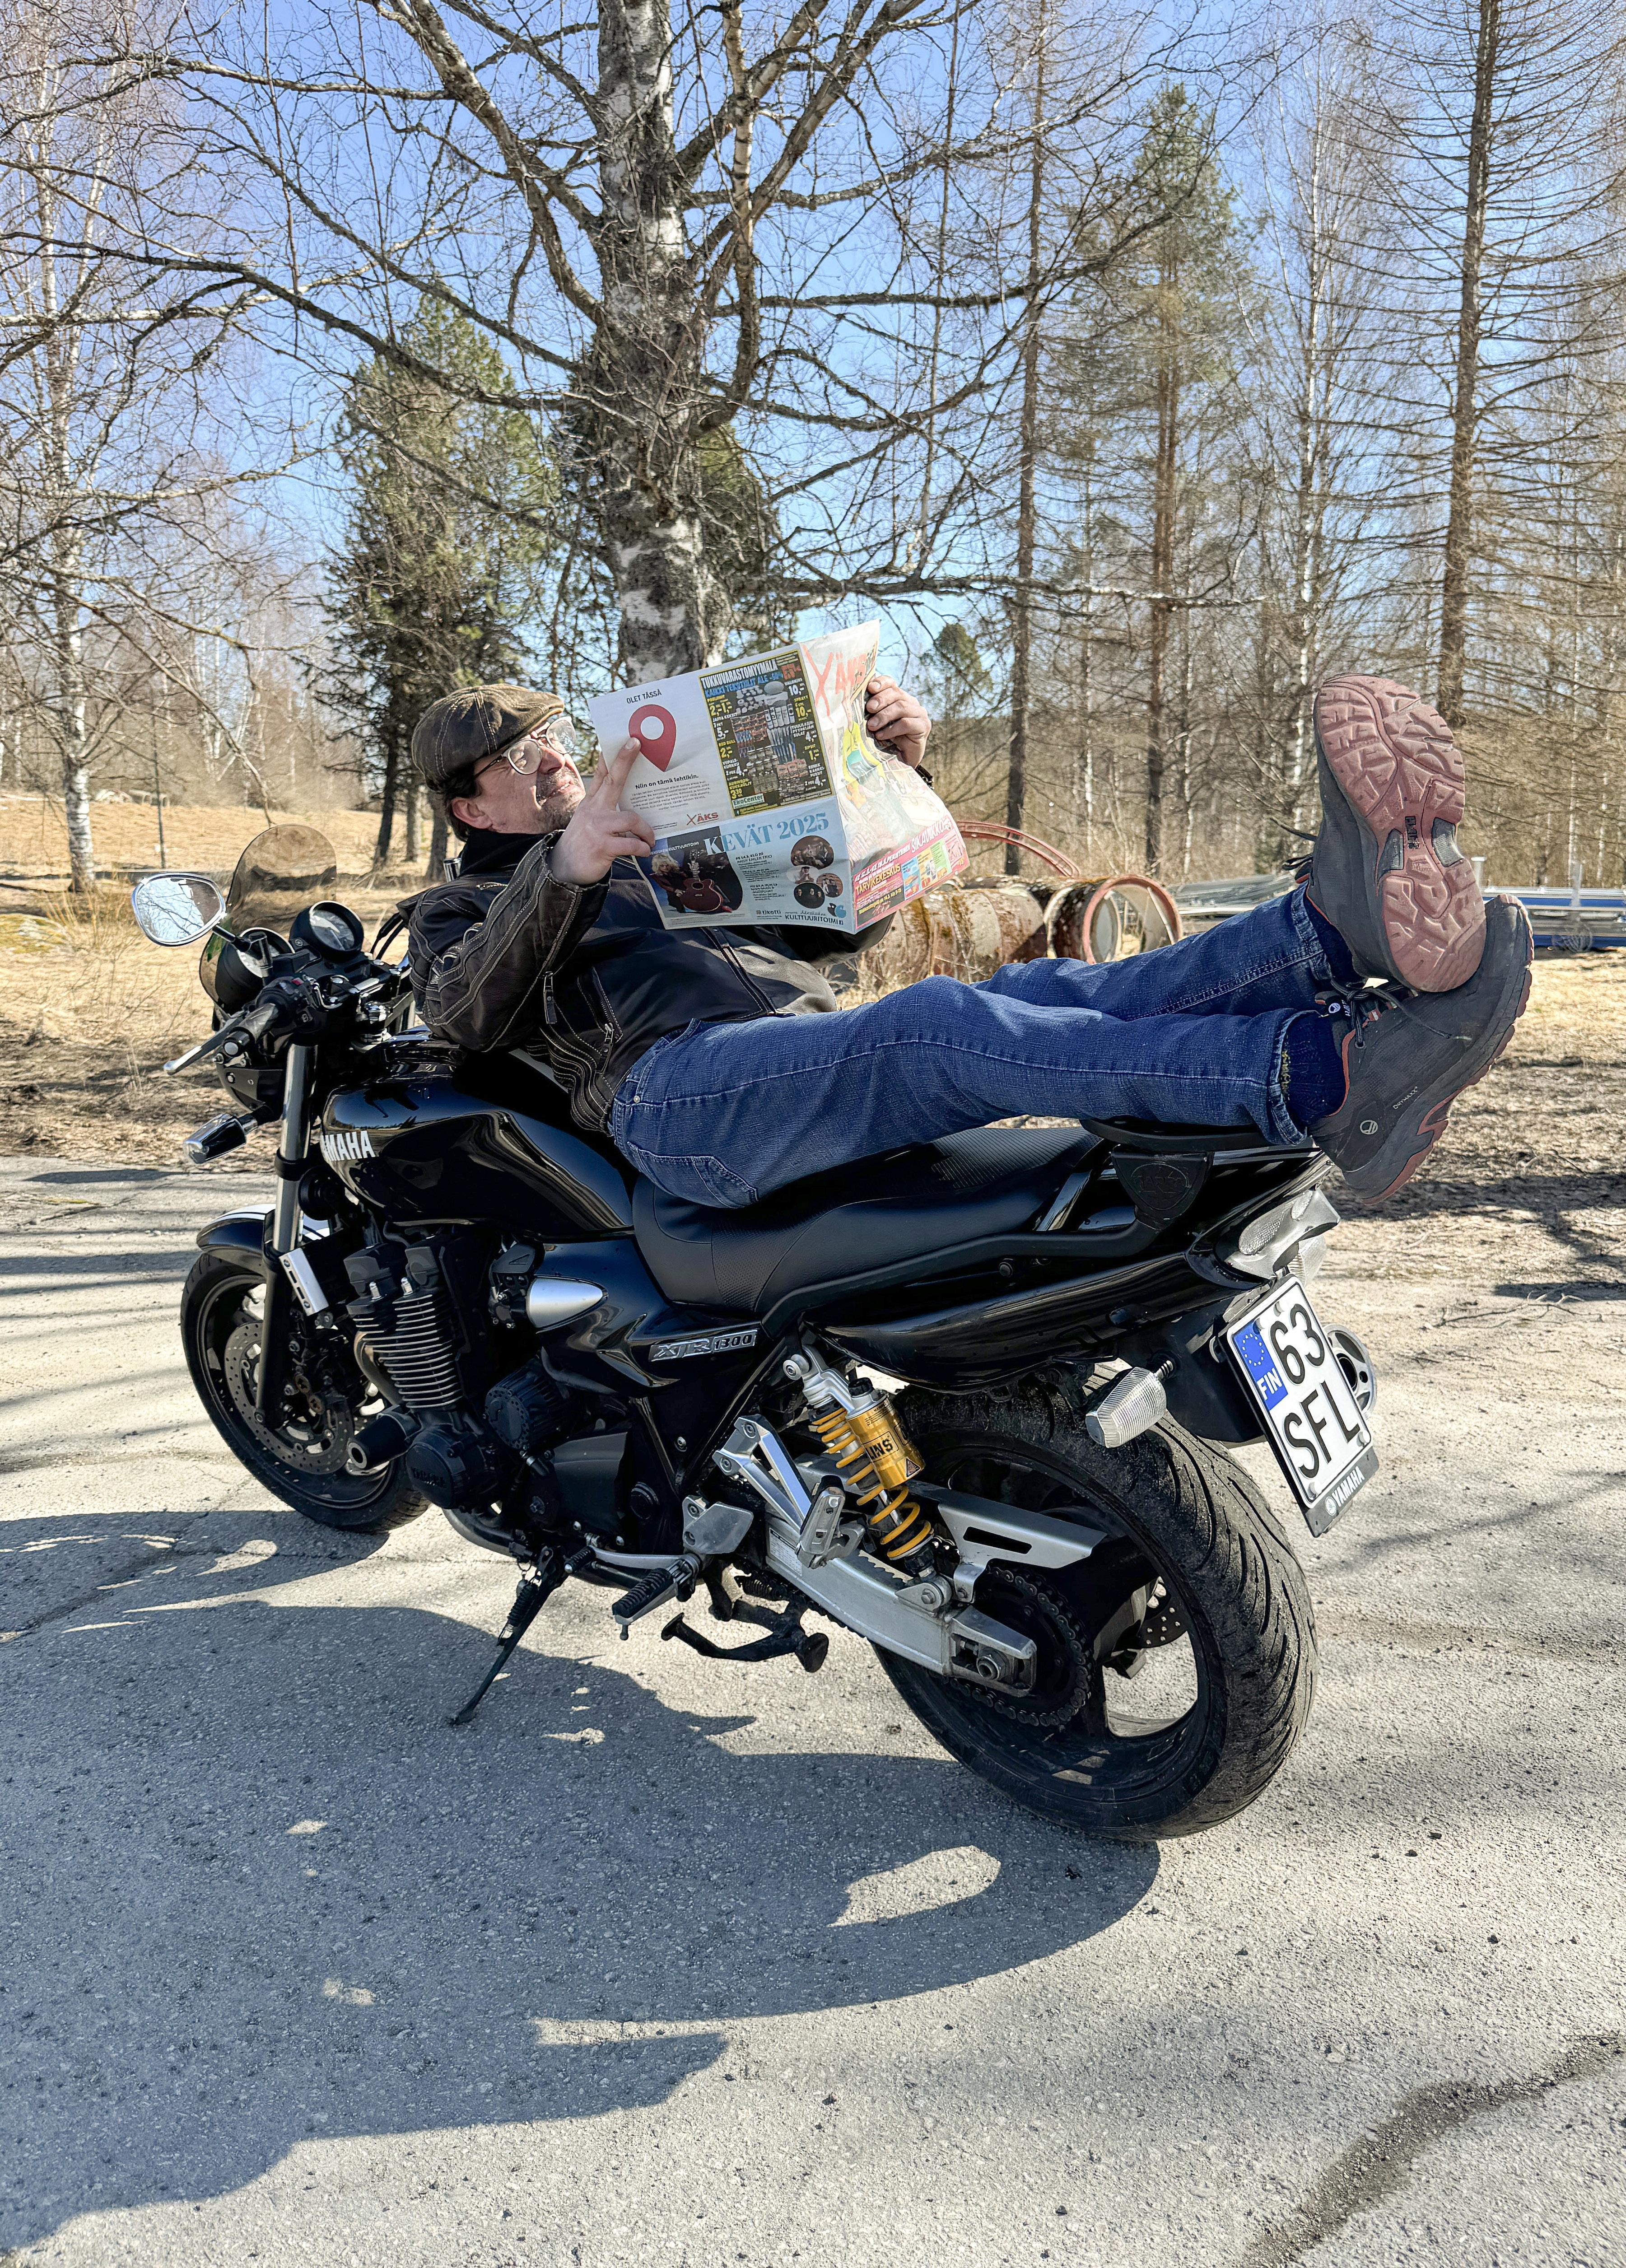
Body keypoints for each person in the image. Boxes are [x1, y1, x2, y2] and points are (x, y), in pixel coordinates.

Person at [402, 672, 1531, 1209]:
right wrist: (564, 871)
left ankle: (1321, 935)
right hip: (674, 1101)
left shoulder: (651, 843)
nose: (556, 757)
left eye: (557, 733)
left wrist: (890, 773)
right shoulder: (464, 905)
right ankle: (1323, 1079)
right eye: (521, 754)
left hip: (787, 1052)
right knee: (935, 1027)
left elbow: (842, 923)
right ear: (469, 805)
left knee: (1056, 989)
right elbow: (459, 1015)